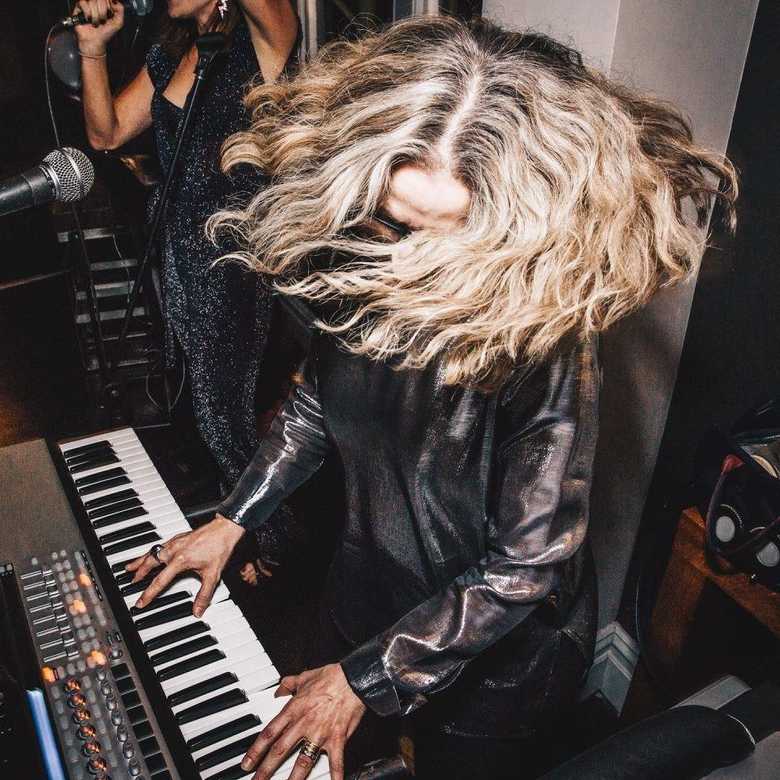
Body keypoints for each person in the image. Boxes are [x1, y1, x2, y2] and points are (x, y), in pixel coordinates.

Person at [127, 16, 738, 780]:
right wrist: (233, 519)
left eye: (441, 237)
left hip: (495, 667)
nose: (400, 263)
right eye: (392, 222)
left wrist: (365, 680)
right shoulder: (367, 250)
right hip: (366, 594)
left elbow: (526, 564)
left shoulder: (550, 343)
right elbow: (318, 404)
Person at [73, 0, 299, 485]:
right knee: (200, 415)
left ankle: (270, 528)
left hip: (236, 265)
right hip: (179, 258)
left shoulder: (263, 40)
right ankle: (234, 519)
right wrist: (93, 49)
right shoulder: (172, 54)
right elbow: (106, 134)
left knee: (228, 421)